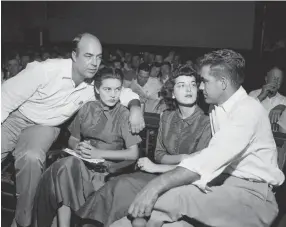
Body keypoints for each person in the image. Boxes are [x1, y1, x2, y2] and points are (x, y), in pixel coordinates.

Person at [112, 49, 285, 227]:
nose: (200, 87)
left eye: (205, 81)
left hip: (253, 196)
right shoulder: (217, 107)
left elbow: (210, 158)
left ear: (223, 83)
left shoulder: (247, 110)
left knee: (173, 198)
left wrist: (154, 186)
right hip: (222, 186)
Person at [1, 33, 144, 227]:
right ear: (74, 56)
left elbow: (123, 92)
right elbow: (5, 98)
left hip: (44, 126)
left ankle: (23, 222)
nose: (94, 63)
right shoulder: (45, 70)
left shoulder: (93, 84)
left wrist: (135, 108)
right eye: (88, 56)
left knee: (31, 157)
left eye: (99, 57)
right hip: (14, 116)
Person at [75, 65, 212, 227]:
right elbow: (160, 155)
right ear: (173, 93)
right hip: (159, 174)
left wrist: (158, 167)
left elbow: (199, 168)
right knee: (119, 184)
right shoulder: (166, 117)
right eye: (181, 85)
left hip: (186, 182)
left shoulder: (207, 122)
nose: (188, 89)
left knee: (140, 217)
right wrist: (184, 158)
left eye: (193, 84)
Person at [32, 67, 142, 227]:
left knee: (66, 170)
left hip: (107, 172)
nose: (113, 94)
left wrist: (98, 153)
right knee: (67, 166)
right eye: (107, 89)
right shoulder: (87, 108)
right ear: (97, 89)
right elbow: (73, 138)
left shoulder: (123, 114)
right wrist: (78, 147)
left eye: (117, 89)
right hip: (83, 166)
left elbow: (133, 154)